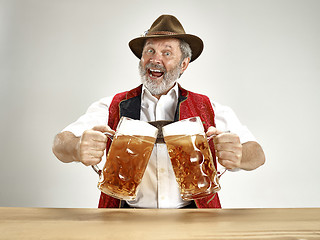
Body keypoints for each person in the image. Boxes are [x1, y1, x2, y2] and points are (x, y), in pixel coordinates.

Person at [52, 15, 265, 209]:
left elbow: (257, 155)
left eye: (167, 53)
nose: (155, 59)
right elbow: (60, 144)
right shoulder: (111, 106)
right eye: (150, 51)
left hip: (195, 221)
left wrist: (239, 155)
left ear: (184, 64)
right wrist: (77, 147)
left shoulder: (208, 107)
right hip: (123, 221)